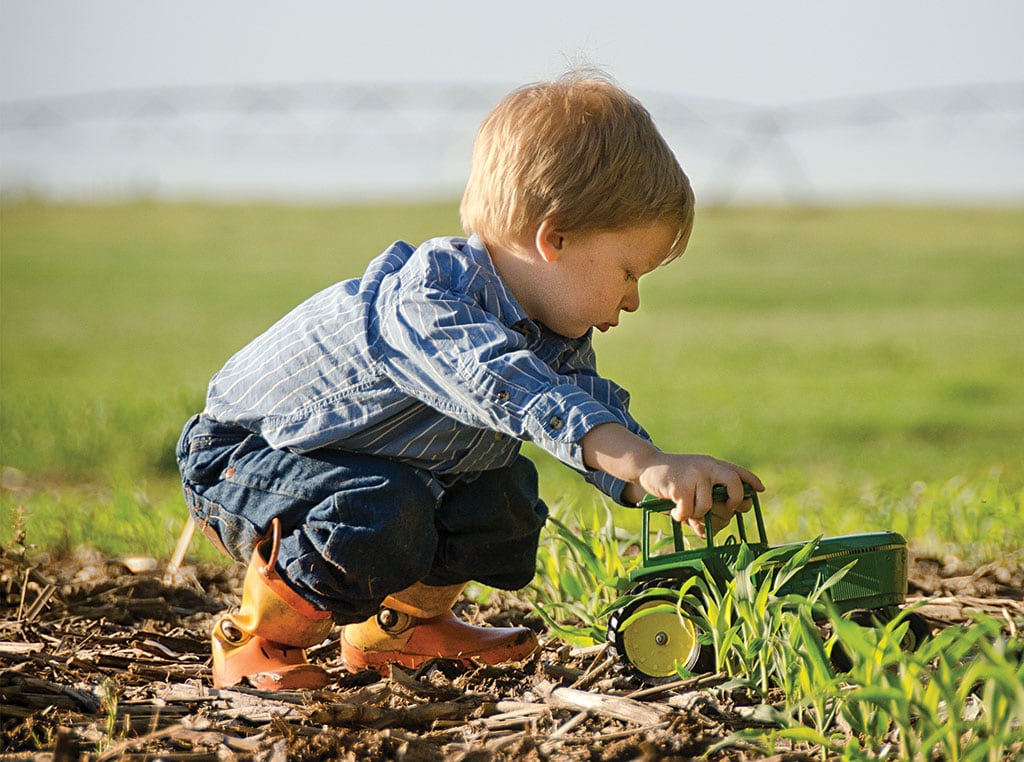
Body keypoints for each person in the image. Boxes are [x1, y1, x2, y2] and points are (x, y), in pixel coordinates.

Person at [176, 71, 764, 691]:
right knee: (380, 510)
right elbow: (517, 390)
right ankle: (259, 637)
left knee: (505, 498)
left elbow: (581, 406)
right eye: (628, 271)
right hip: (248, 459)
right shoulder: (430, 300)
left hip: (375, 466)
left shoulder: (552, 331)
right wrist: (644, 462)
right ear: (554, 238)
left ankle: (397, 631)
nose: (634, 299)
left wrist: (661, 477)